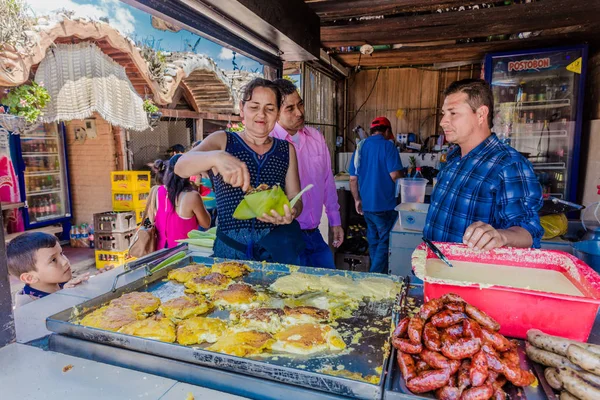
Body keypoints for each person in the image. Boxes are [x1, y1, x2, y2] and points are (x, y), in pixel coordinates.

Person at [176, 78, 305, 264]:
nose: (261, 114)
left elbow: (296, 196)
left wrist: (291, 211)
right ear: (242, 108)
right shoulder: (223, 140)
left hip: (276, 253)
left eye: (269, 108)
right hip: (229, 253)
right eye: (254, 107)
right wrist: (216, 157)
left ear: (277, 114)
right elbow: (181, 166)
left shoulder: (286, 150)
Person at [424, 78, 544, 250]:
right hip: (432, 267)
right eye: (444, 113)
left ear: (481, 114)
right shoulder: (453, 159)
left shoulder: (508, 164)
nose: (443, 121)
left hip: (469, 275)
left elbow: (529, 232)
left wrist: (501, 236)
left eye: (453, 113)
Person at [270, 78, 343, 269]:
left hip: (315, 234)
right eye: (290, 108)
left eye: (300, 104)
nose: (299, 112)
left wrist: (335, 220)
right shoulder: (269, 143)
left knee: (328, 288)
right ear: (276, 113)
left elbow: (327, 181)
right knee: (297, 296)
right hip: (285, 237)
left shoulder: (316, 137)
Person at [349, 117, 403, 274]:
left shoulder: (360, 147)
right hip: (385, 205)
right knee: (385, 242)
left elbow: (353, 179)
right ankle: (375, 276)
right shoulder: (388, 146)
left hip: (367, 205)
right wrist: (404, 178)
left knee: (373, 240)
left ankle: (375, 273)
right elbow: (395, 176)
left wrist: (357, 199)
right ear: (386, 131)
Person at [8, 232, 90, 307]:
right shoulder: (28, 308)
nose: (65, 261)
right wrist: (65, 297)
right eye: (53, 260)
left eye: (61, 253)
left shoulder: (64, 283)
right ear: (30, 278)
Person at [154, 155, 211, 248]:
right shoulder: (192, 196)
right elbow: (206, 223)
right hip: (184, 252)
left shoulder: (159, 191)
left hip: (161, 251)